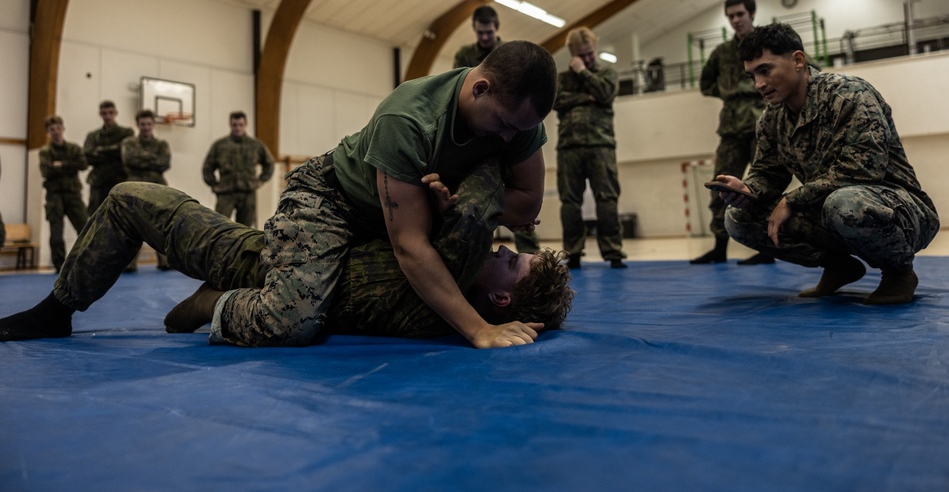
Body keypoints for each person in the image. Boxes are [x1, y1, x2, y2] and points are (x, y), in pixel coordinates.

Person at [0, 41, 560, 349]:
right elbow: (413, 244)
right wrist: (478, 329)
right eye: (505, 124)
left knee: (251, 260)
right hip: (330, 201)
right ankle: (75, 306)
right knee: (292, 317)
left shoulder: (517, 123)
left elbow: (527, 207)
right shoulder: (409, 118)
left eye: (523, 131)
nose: (512, 140)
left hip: (382, 226)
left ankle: (208, 282)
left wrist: (456, 200)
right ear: (481, 87)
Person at [0, 151, 573, 344]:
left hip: (260, 267)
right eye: (513, 250)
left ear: (501, 302)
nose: (504, 251)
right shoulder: (461, 293)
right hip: (275, 248)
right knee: (129, 196)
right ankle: (60, 310)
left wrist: (515, 171)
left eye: (514, 265)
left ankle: (211, 303)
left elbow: (487, 182)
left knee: (128, 196)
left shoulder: (456, 269)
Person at [713, 23, 939, 305]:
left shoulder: (850, 95)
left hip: (898, 210)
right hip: (831, 210)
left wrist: (793, 200)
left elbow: (863, 170)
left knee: (844, 204)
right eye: (752, 75)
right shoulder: (771, 119)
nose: (758, 84)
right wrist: (746, 189)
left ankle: (899, 273)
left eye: (765, 70)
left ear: (798, 60)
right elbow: (767, 174)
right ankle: (838, 266)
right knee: (738, 217)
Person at [691, 0, 774, 266]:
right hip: (730, 128)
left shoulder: (770, 44)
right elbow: (705, 84)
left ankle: (767, 248)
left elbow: (806, 69)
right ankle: (719, 247)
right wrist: (730, 93)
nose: (736, 20)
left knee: (764, 185)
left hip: (762, 124)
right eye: (731, 16)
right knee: (721, 183)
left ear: (752, 14)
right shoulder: (722, 53)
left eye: (740, 14)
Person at [452, 4, 541, 255]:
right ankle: (481, 256)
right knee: (475, 196)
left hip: (507, 134)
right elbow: (460, 90)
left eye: (488, 32)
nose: (484, 37)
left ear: (496, 29)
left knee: (519, 195)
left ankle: (531, 255)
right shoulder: (464, 55)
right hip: (478, 134)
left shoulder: (510, 54)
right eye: (480, 33)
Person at [553, 27, 626, 269]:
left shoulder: (608, 73)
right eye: (582, 55)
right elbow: (555, 102)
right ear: (572, 54)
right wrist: (586, 97)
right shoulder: (562, 79)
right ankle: (573, 253)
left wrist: (584, 73)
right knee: (570, 202)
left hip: (601, 145)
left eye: (590, 53)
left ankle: (613, 252)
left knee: (607, 199)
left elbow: (605, 94)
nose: (587, 58)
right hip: (569, 146)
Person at [202, 111, 275, 228]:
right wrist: (213, 184)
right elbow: (207, 166)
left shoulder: (255, 145)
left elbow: (269, 164)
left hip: (248, 192)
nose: (237, 128)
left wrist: (261, 180)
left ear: (245, 125)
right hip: (226, 192)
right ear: (230, 125)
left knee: (245, 229)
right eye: (234, 125)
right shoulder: (220, 145)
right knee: (218, 225)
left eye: (240, 125)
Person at [121, 109, 171, 270]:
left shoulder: (162, 144)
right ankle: (129, 263)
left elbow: (164, 163)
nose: (146, 127)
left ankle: (164, 262)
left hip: (158, 189)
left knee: (160, 226)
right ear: (137, 125)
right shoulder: (129, 143)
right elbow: (129, 160)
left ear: (153, 125)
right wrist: (152, 159)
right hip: (135, 189)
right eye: (143, 124)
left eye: (149, 124)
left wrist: (141, 158)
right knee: (133, 227)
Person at [39, 116, 89, 271]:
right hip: (54, 196)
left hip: (73, 194)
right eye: (52, 130)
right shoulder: (45, 151)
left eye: (58, 128)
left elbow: (83, 164)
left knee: (85, 228)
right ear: (48, 132)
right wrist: (70, 165)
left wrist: (60, 165)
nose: (56, 132)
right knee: (56, 232)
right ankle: (59, 266)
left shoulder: (74, 148)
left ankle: (87, 261)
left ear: (63, 128)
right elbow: (46, 170)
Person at [84, 100, 134, 216]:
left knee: (121, 215)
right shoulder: (93, 136)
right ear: (100, 114)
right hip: (98, 181)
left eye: (110, 112)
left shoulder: (126, 132)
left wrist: (100, 150)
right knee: (96, 216)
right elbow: (88, 157)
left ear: (115, 113)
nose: (107, 116)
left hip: (120, 179)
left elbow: (125, 152)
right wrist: (114, 151)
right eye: (104, 113)